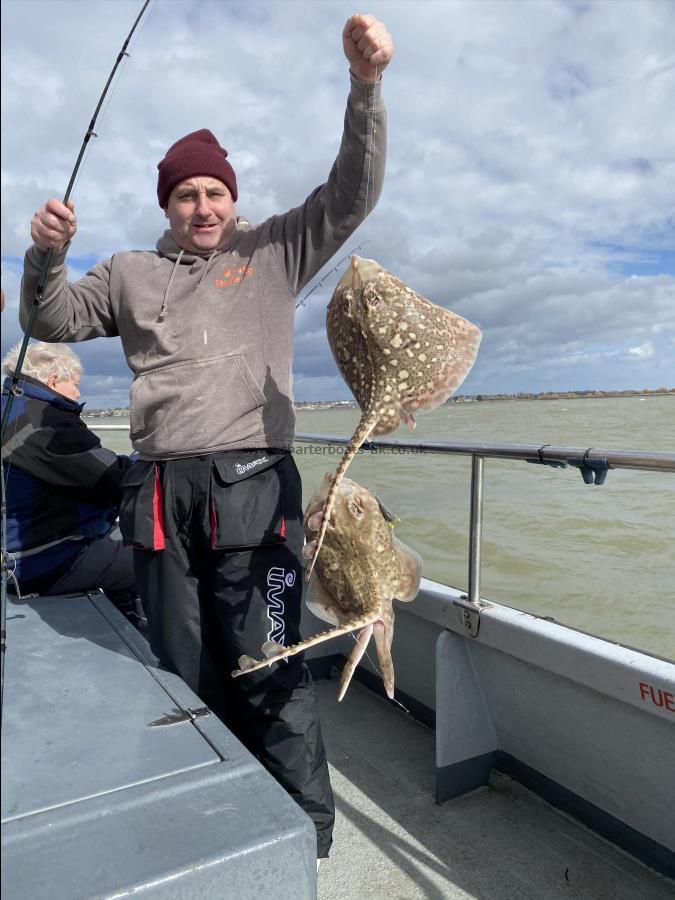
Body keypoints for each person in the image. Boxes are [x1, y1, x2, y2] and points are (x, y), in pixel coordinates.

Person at [19, 13, 393, 861]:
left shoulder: (273, 251)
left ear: (233, 199)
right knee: (186, 669)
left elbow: (353, 193)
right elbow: (49, 315)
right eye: (186, 193)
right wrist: (46, 256)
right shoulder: (126, 272)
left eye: (214, 192)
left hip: (255, 492)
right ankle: (225, 826)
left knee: (269, 665)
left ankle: (307, 836)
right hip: (160, 496)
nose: (203, 206)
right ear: (167, 204)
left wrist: (365, 89)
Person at [1, 341, 140, 621]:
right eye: (75, 384)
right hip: (41, 560)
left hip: (14, 553)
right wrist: (147, 459)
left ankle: (125, 617)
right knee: (159, 554)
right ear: (53, 380)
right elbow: (112, 477)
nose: (78, 393)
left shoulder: (9, 407)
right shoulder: (45, 421)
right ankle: (150, 639)